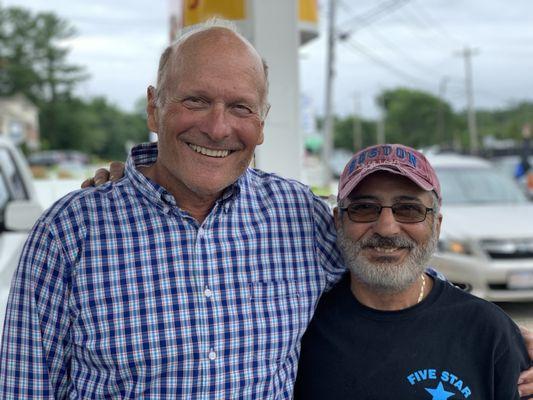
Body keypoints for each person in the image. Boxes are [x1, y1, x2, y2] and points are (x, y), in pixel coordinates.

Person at [4, 19, 532, 398]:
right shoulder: (70, 232)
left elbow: (388, 252)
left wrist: (501, 333)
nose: (217, 127)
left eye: (240, 107)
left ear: (262, 120)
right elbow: (23, 385)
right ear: (153, 106)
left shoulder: (297, 215)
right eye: (194, 100)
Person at [294, 144, 533, 399]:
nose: (386, 228)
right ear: (338, 222)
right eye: (363, 208)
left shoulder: (488, 331)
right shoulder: (301, 330)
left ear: (436, 226)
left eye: (409, 209)